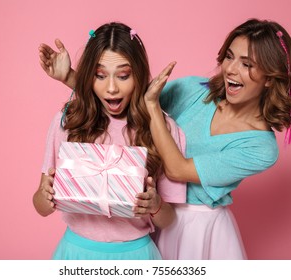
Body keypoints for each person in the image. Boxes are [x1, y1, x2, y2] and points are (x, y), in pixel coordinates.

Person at [38, 18, 291, 259]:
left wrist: (153, 107)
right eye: (229, 57)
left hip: (197, 226)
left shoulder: (260, 147)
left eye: (247, 64)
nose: (231, 70)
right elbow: (125, 106)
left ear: (271, 77)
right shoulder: (191, 89)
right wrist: (72, 78)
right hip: (143, 218)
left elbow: (176, 167)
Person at [33, 22, 186, 260]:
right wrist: (45, 196)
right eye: (100, 76)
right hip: (75, 253)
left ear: (139, 75)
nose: (112, 88)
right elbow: (40, 207)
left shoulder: (162, 128)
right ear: (88, 76)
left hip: (136, 255)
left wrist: (154, 204)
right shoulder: (68, 121)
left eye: (123, 76)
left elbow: (169, 218)